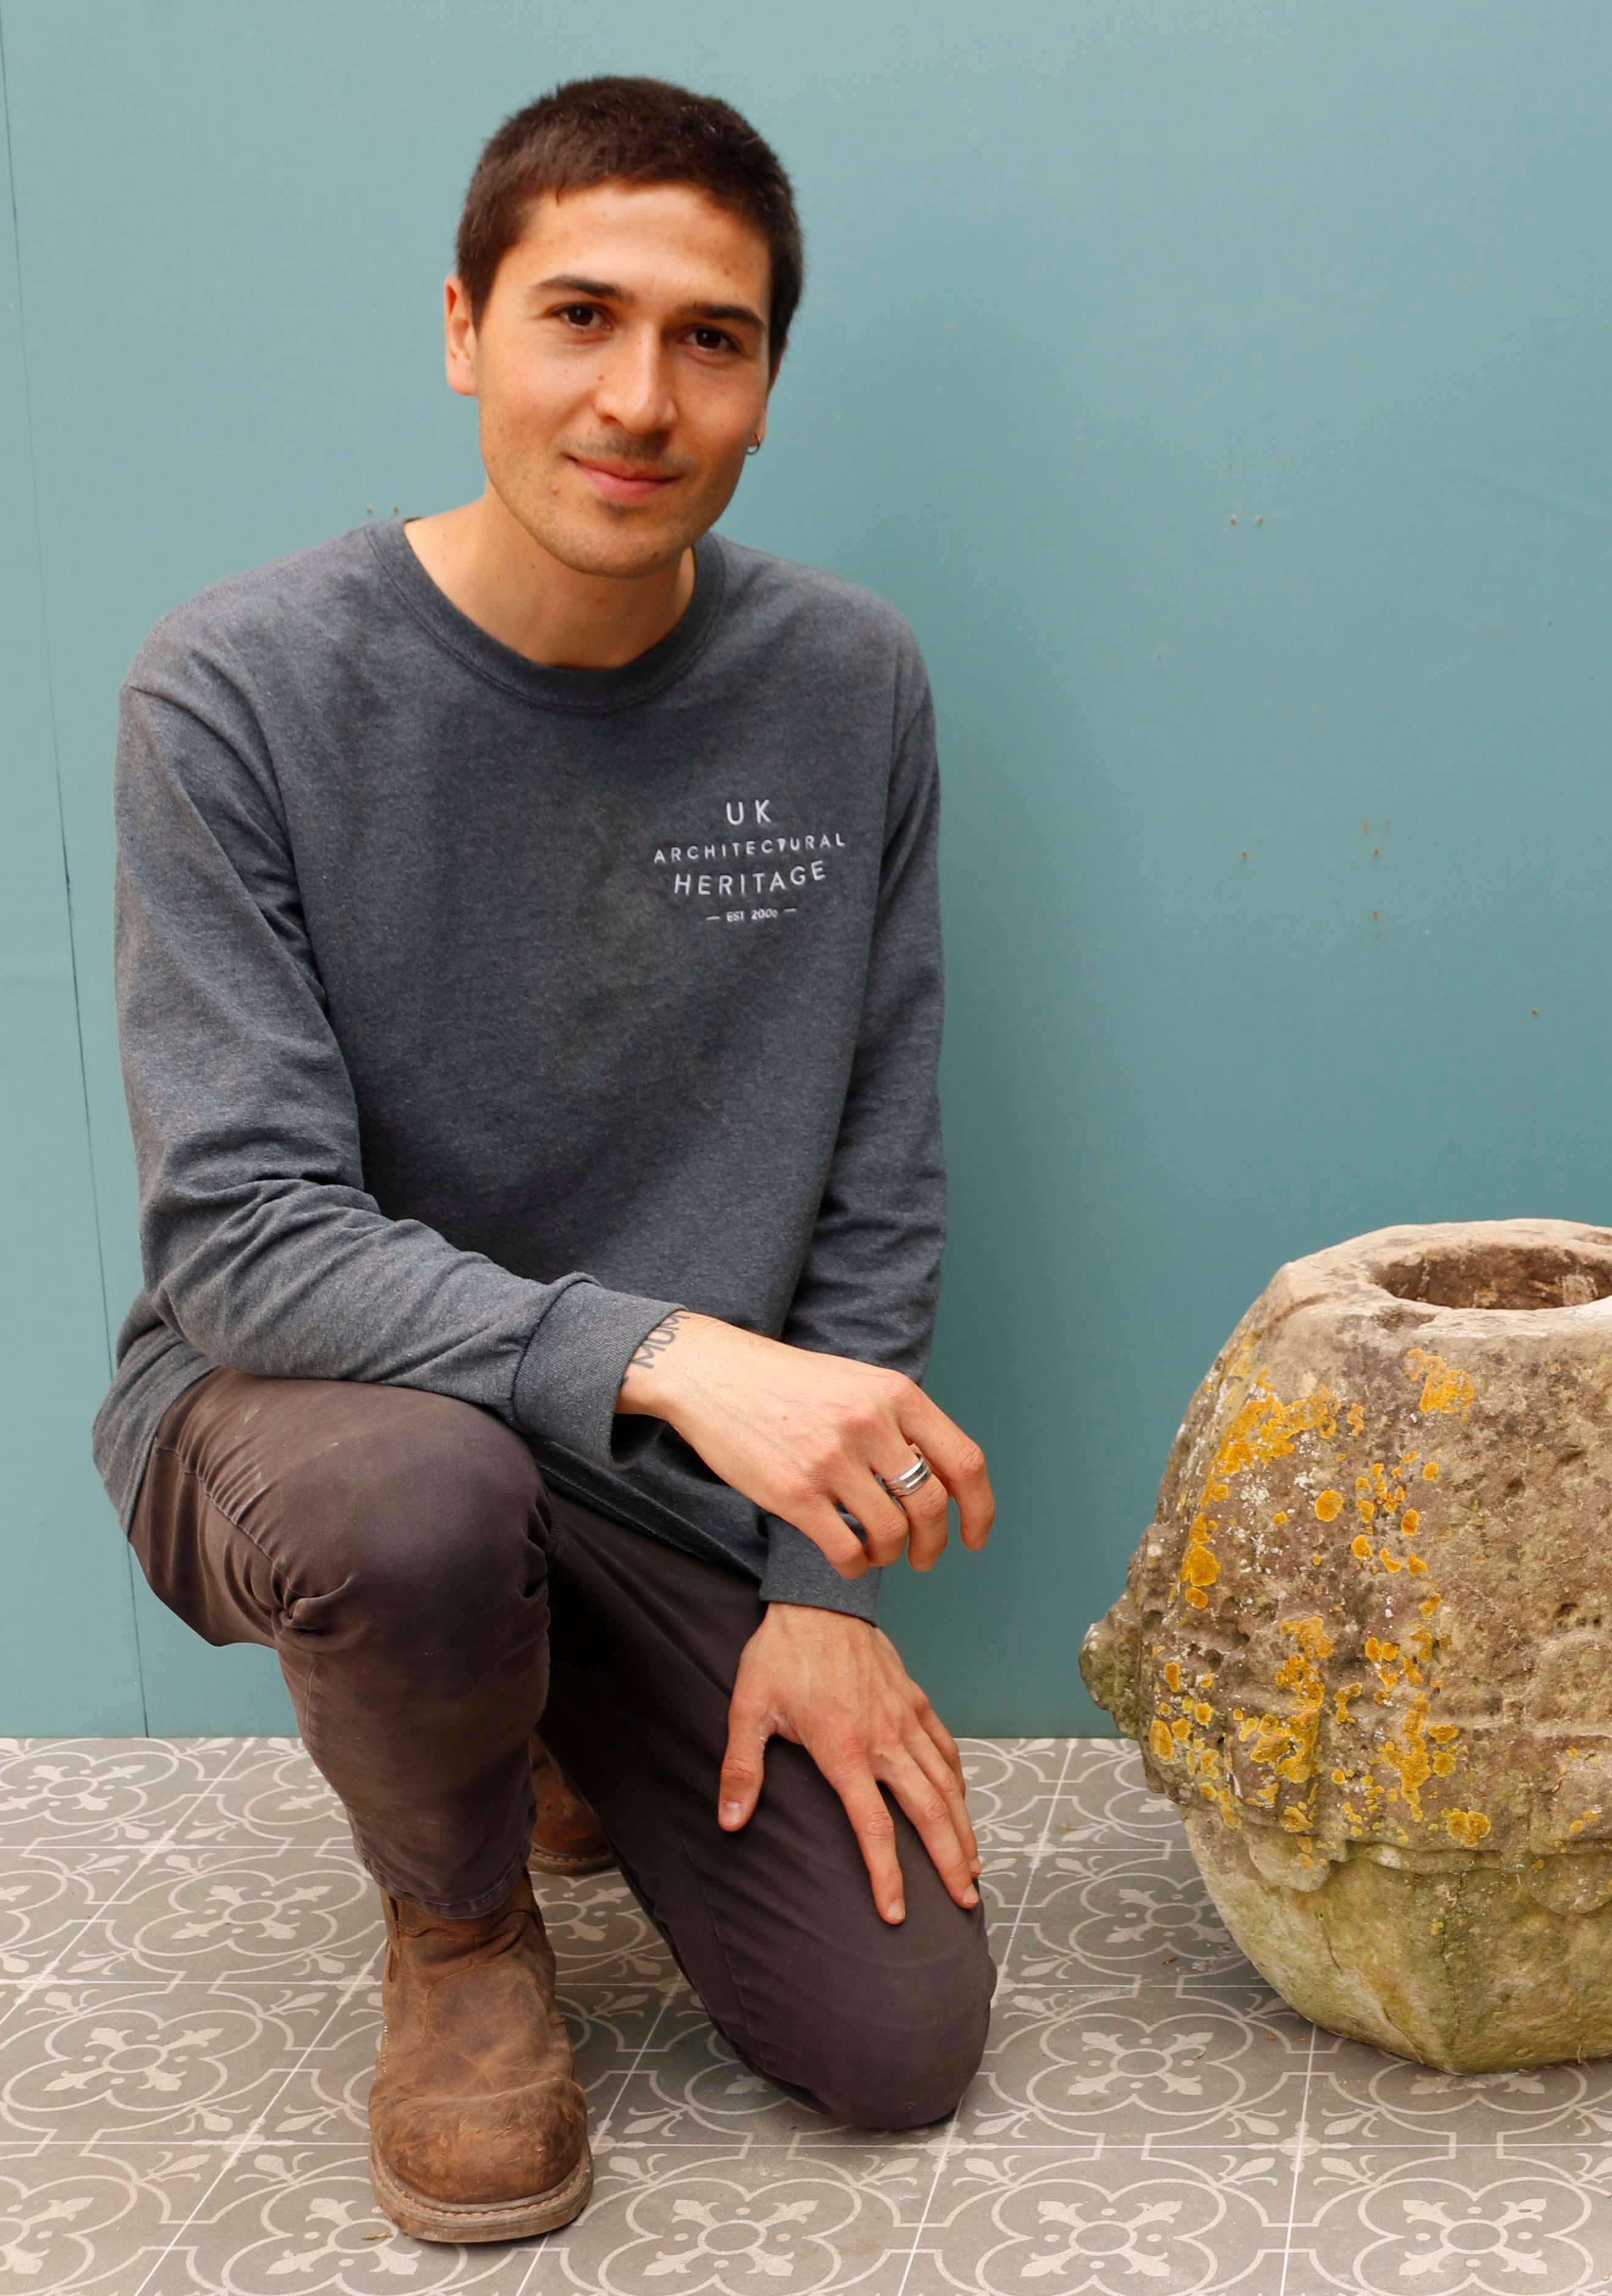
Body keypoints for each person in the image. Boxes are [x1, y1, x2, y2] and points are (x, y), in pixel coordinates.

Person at [86, 76, 998, 2244]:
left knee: (897, 2045)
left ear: (768, 383)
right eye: (578, 313)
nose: (639, 396)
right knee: (420, 1498)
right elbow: (244, 1236)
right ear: (463, 328)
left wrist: (808, 1590)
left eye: (714, 338)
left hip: (662, 1481)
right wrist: (678, 1352)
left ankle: (554, 1704)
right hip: (304, 1424)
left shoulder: (845, 683)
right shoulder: (236, 690)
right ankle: (463, 1926)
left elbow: (880, 1151)